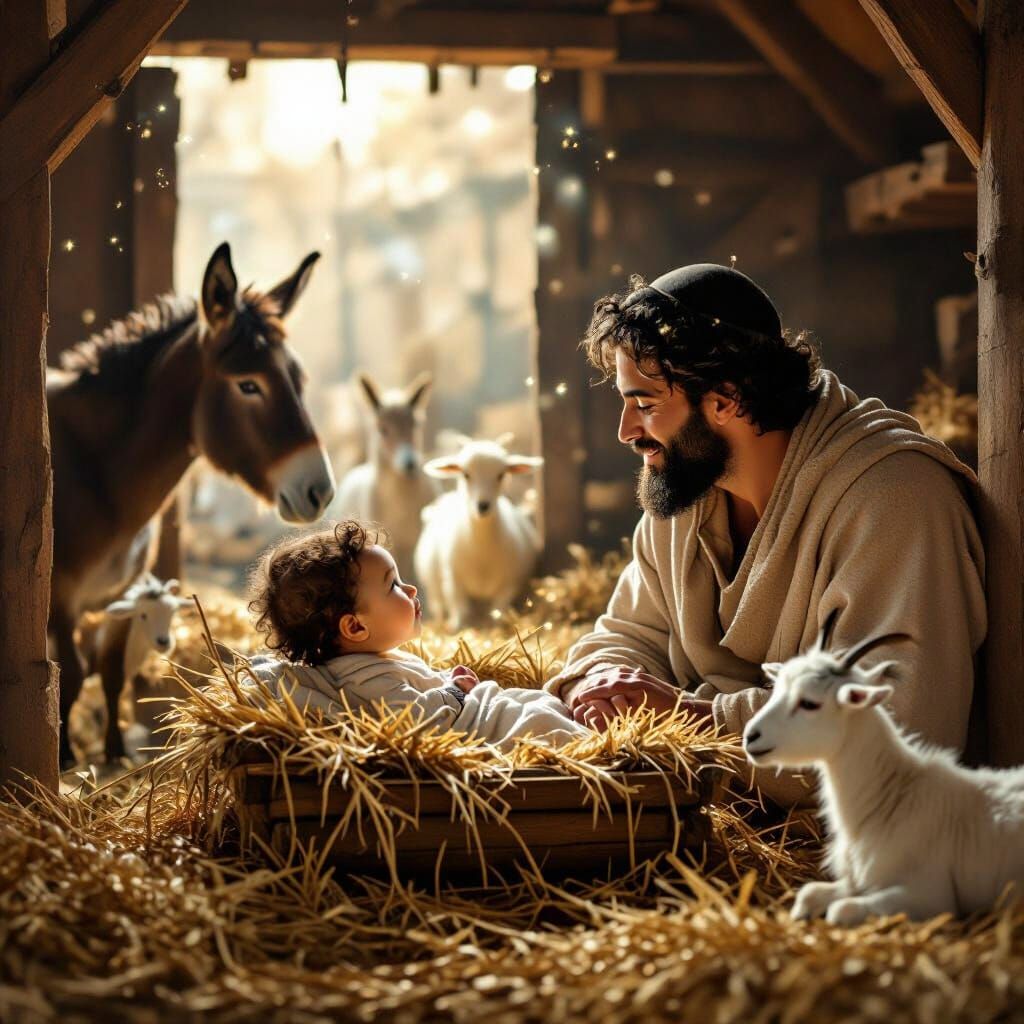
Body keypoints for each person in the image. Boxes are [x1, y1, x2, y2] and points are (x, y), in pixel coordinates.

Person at [544, 263, 987, 805]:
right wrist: (597, 683)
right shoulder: (688, 489)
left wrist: (690, 716)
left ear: (724, 399)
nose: (626, 431)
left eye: (646, 405)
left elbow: (899, 727)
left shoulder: (895, 500)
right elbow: (628, 636)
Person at [245, 521, 589, 752]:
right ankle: (595, 748)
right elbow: (414, 722)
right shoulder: (365, 678)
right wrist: (455, 691)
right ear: (355, 628)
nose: (410, 589)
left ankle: (584, 727)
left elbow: (418, 691)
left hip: (485, 710)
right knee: (540, 722)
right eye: (393, 585)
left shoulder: (374, 661)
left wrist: (446, 679)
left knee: (541, 704)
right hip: (483, 726)